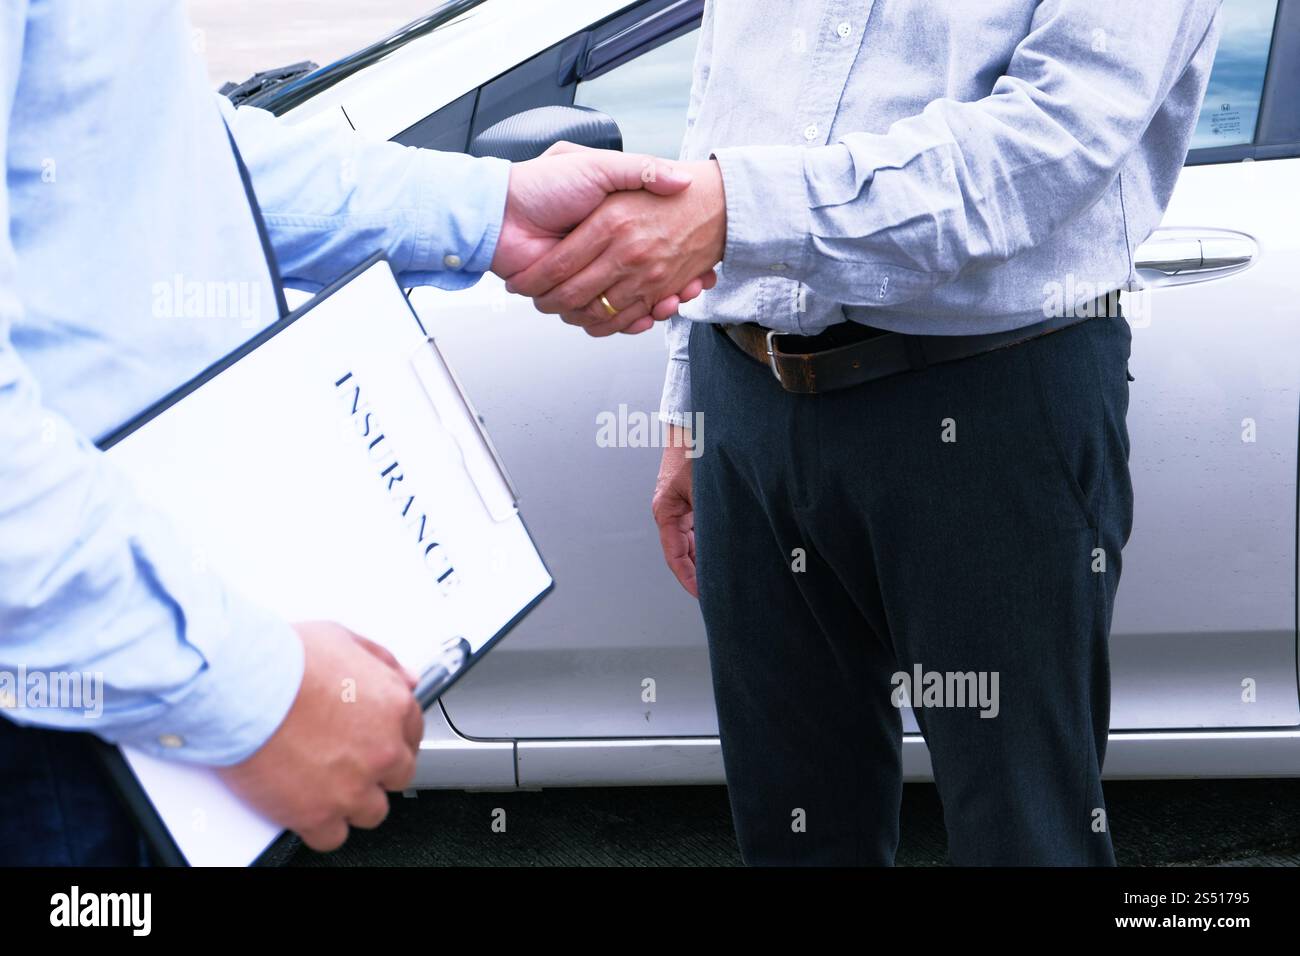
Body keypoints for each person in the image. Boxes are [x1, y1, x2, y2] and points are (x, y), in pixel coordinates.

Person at [508, 0, 1225, 864]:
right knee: (793, 834)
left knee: (1025, 835)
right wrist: (687, 396)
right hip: (745, 391)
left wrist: (737, 209)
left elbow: (1053, 139)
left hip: (989, 398)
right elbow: (721, 93)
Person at [0, 0, 708, 865]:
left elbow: (147, 152)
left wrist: (490, 210)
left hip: (127, 662)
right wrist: (244, 691)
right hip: (62, 705)